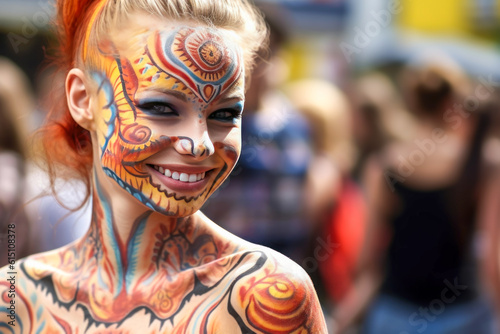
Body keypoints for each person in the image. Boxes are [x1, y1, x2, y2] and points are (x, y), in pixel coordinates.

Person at [0, 0, 327, 333]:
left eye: (225, 114)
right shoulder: (15, 297)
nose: (199, 143)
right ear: (84, 100)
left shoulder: (262, 296)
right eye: (162, 107)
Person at [332, 56, 497, 333]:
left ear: (411, 102)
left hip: (395, 311)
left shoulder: (383, 166)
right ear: (454, 104)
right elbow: (492, 259)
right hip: (464, 313)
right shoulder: (484, 166)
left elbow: (366, 257)